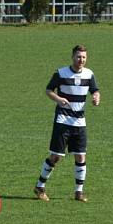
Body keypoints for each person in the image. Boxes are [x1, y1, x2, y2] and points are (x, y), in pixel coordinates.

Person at [33, 44, 101, 202]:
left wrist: (96, 97)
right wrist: (58, 99)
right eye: (78, 56)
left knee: (80, 156)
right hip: (63, 121)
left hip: (79, 121)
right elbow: (48, 90)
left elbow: (95, 90)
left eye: (84, 57)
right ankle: (40, 186)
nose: (81, 60)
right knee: (56, 157)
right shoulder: (61, 73)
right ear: (72, 57)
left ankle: (79, 192)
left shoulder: (89, 74)